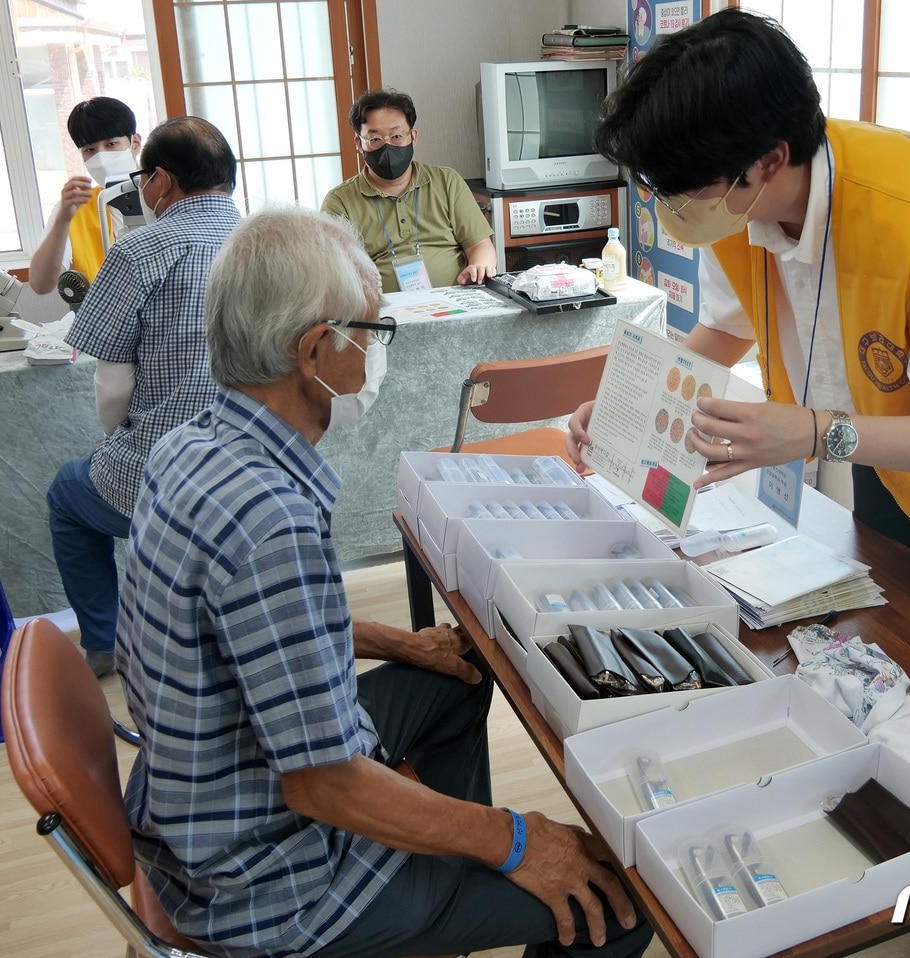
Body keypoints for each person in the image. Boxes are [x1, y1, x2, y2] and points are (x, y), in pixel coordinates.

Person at [116, 206, 650, 958]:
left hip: (202, 798)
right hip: (269, 879)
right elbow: (324, 786)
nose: (373, 351)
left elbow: (251, 632)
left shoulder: (191, 444)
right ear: (313, 351)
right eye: (368, 333)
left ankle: (441, 892)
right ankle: (436, 891)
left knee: (457, 675)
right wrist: (517, 841)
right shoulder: (269, 519)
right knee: (616, 906)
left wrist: (401, 643)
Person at [567, 10, 910, 596]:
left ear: (770, 159)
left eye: (690, 187)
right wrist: (630, 407)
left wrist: (816, 433)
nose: (676, 205)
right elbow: (725, 326)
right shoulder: (735, 205)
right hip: (879, 420)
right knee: (880, 596)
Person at [47, 116, 241, 677]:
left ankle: (104, 643)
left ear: (158, 180)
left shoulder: (141, 250)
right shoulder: (276, 237)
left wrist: (116, 438)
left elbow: (112, 383)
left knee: (67, 491)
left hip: (175, 465)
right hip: (261, 462)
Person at [322, 88, 496, 293]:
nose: (387, 146)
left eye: (396, 135)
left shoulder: (447, 181)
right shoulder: (339, 201)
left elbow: (480, 245)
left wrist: (478, 267)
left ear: (413, 137)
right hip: (383, 314)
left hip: (455, 302)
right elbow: (335, 273)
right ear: (359, 143)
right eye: (375, 139)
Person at [27, 96, 143, 296]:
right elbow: (40, 284)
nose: (101, 156)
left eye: (111, 144)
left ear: (135, 142)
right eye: (90, 149)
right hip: (105, 322)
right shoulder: (75, 209)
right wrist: (63, 219)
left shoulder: (165, 195)